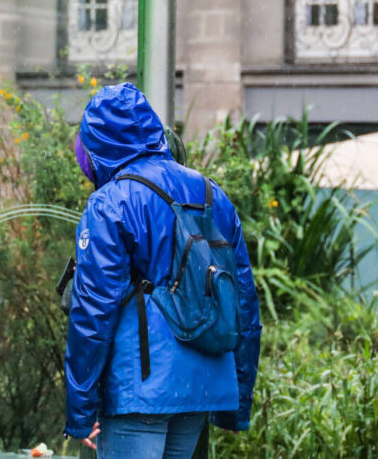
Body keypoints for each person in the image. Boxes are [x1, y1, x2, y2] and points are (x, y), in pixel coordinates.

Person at [64, 83, 262, 459]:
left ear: (97, 147)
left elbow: (92, 313)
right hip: (201, 385)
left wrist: (80, 412)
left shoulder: (110, 203)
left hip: (139, 388)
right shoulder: (211, 193)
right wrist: (240, 396)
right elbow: (244, 305)